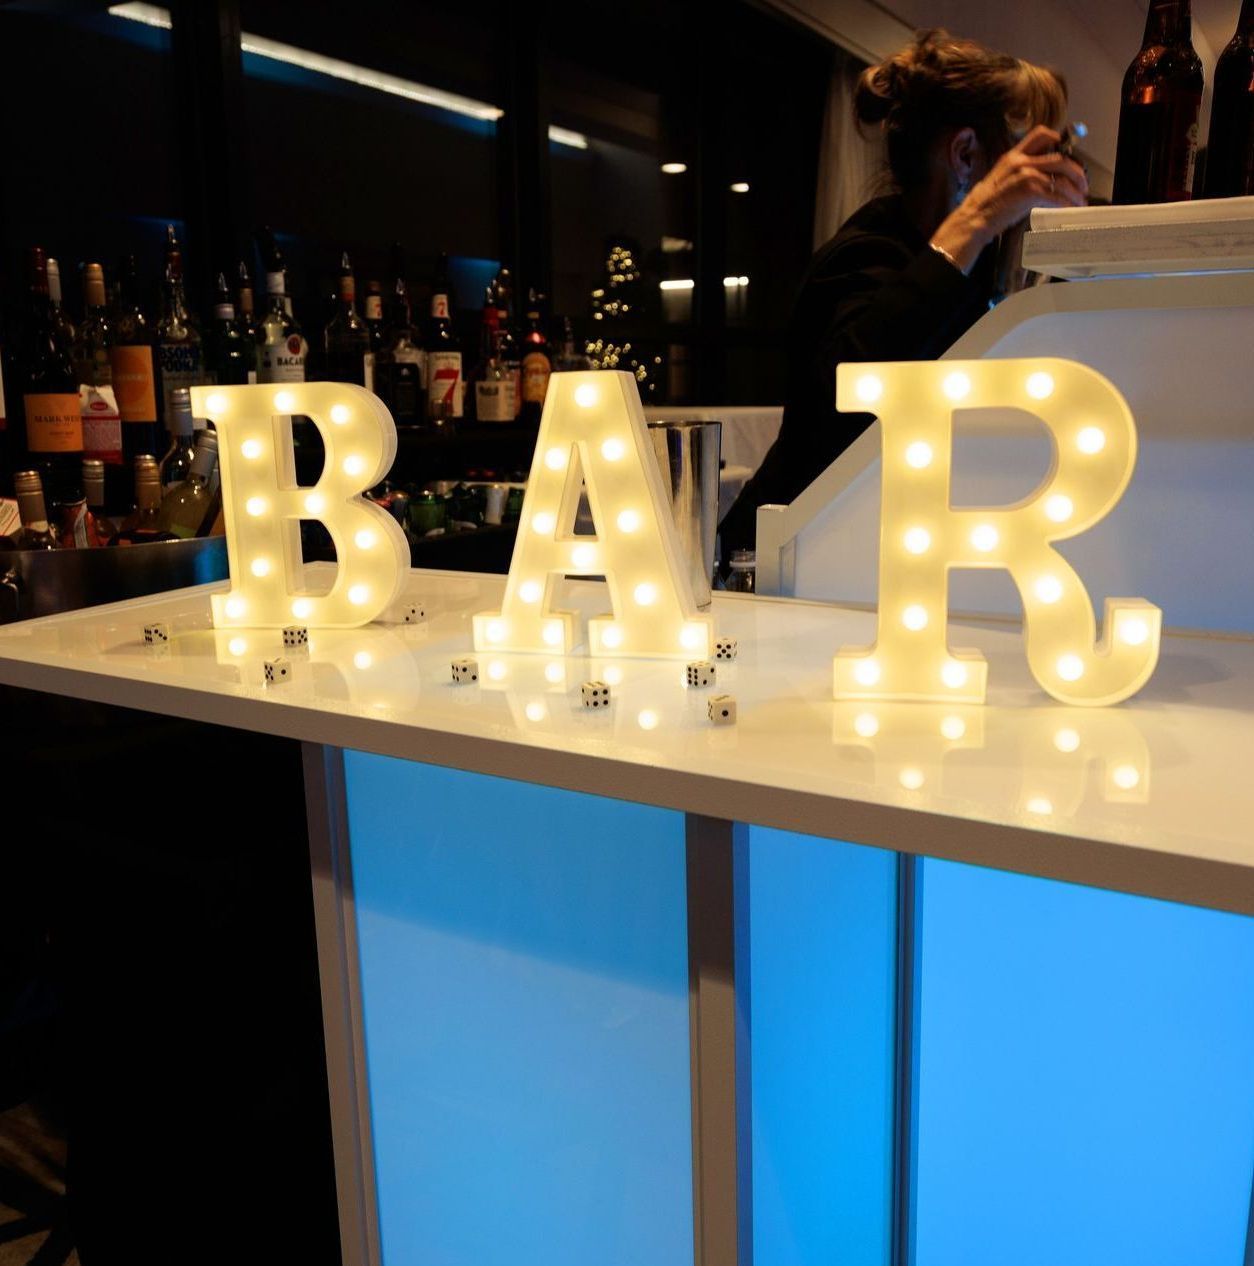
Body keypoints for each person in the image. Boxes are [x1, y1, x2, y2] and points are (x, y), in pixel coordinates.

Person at [719, 29, 1088, 553]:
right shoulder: (866, 253)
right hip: (773, 559)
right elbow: (845, 398)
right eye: (1026, 156)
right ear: (965, 154)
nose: (1041, 176)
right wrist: (978, 217)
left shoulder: (979, 268)